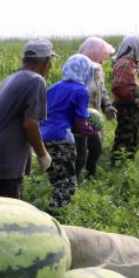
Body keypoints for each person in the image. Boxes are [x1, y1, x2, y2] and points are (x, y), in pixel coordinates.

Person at [0, 39, 54, 199]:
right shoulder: (36, 80)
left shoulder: (11, 77)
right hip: (4, 158)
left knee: (5, 211)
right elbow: (30, 124)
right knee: (9, 216)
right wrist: (43, 155)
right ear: (47, 62)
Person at [40, 54, 93, 211]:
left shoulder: (53, 87)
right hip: (62, 137)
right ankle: (56, 215)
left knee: (55, 177)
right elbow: (80, 122)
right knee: (66, 182)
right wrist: (92, 131)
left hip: (43, 136)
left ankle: (49, 208)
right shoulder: (81, 91)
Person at [76, 37, 116, 180]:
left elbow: (102, 91)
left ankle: (89, 176)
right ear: (94, 53)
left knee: (95, 149)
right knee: (81, 151)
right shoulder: (77, 68)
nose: (103, 59)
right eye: (102, 56)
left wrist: (108, 106)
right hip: (80, 117)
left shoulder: (98, 70)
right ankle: (76, 179)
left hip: (94, 117)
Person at [110, 35, 139, 163]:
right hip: (126, 106)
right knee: (125, 135)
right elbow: (118, 87)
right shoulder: (125, 63)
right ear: (134, 48)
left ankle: (128, 161)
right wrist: (134, 99)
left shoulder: (131, 62)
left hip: (132, 105)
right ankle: (118, 163)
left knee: (133, 134)